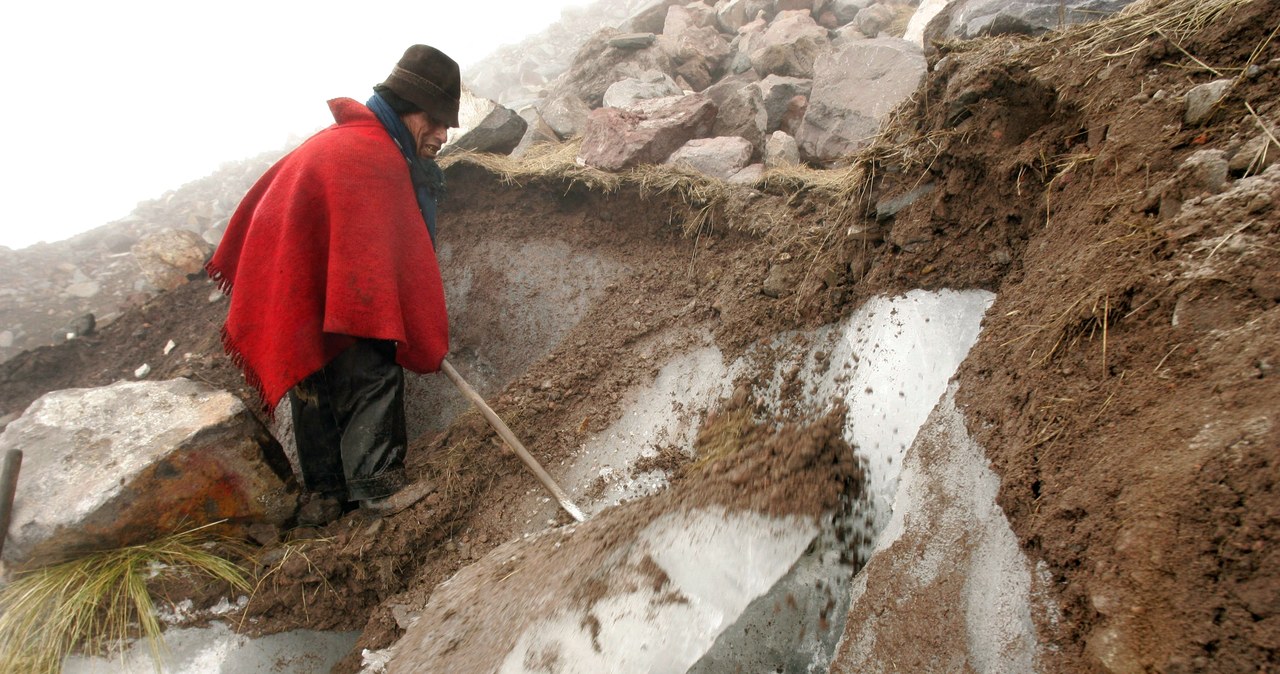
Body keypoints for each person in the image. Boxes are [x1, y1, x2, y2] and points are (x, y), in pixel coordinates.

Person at [207, 45, 461, 518]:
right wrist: (407, 326)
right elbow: (373, 283)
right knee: (370, 363)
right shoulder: (374, 157)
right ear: (410, 112)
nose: (444, 135)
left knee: (317, 369)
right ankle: (377, 486)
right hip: (313, 284)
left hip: (292, 288)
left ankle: (326, 494)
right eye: (438, 121)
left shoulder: (349, 140)